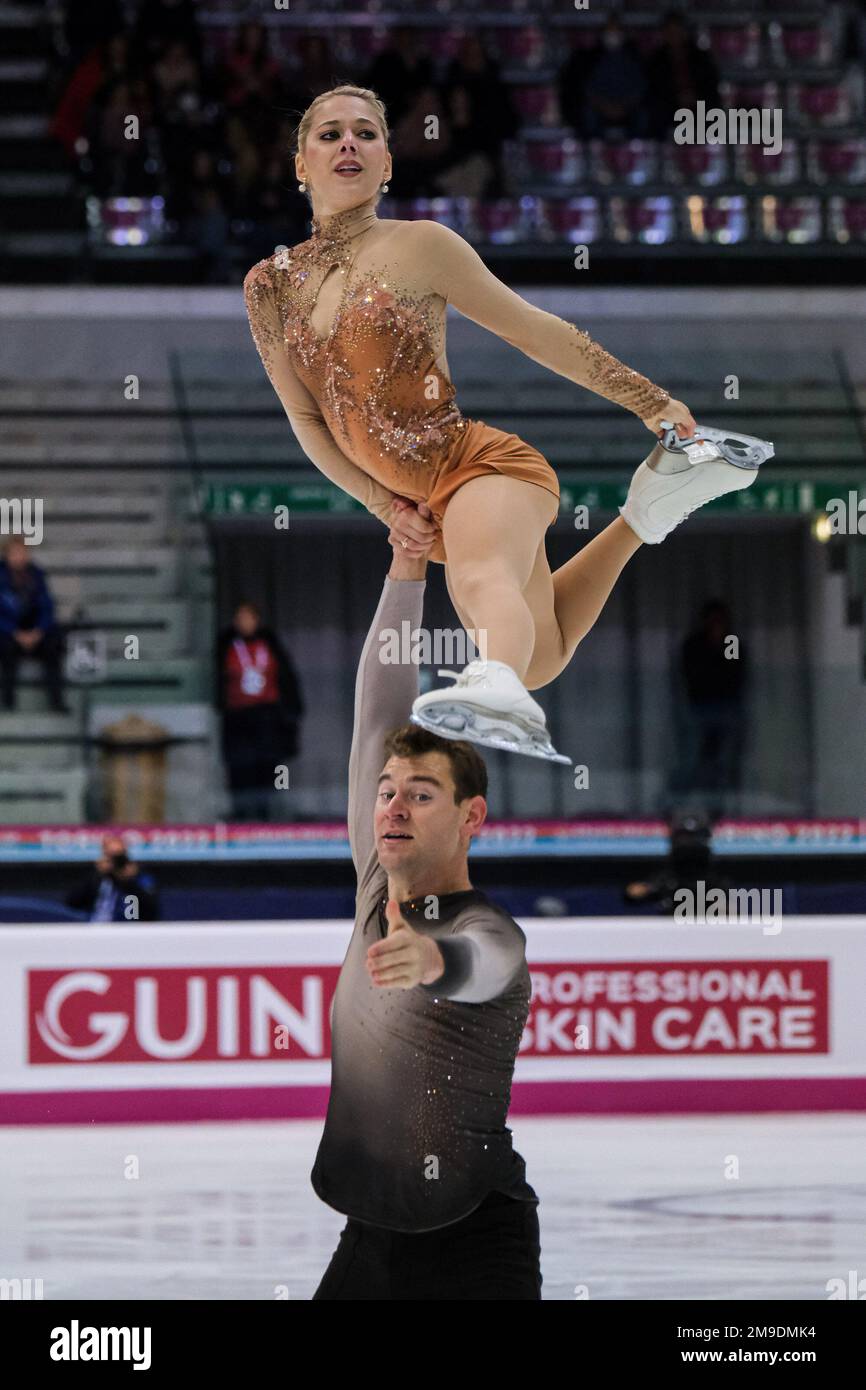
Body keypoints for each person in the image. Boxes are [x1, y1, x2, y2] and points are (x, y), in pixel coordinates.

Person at [243, 85, 767, 763]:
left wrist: (648, 399)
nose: (350, 143)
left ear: (389, 165)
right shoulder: (268, 286)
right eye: (331, 134)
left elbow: (532, 331)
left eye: (368, 133)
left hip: (482, 469)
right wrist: (385, 507)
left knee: (481, 581)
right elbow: (306, 418)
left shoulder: (423, 244)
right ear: (299, 164)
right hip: (425, 503)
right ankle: (647, 512)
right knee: (541, 653)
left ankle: (493, 684)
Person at [310, 524, 541, 1300]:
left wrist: (434, 961)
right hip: (370, 1240)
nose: (393, 806)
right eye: (386, 792)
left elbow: (486, 965)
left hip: (477, 1239)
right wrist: (406, 567)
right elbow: (377, 715)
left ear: (473, 816)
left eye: (420, 793)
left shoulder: (486, 931)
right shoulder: (376, 882)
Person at [216, 602, 304, 820]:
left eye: (249, 618)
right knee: (240, 767)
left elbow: (286, 680)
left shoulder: (270, 645)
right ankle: (241, 813)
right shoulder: (227, 646)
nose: (246, 623)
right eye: (241, 619)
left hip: (267, 716)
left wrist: (289, 712)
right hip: (238, 717)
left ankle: (267, 814)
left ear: (257, 620)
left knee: (267, 767)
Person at [671, 600, 748, 815]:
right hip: (699, 708)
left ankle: (720, 810)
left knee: (723, 762)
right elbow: (692, 676)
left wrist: (721, 645)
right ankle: (676, 806)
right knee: (691, 760)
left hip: (727, 708)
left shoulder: (731, 641)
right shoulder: (694, 644)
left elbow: (734, 671)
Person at [0, 538, 67, 712]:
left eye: (23, 552)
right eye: (15, 553)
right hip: (9, 633)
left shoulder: (37, 575)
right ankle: (8, 702)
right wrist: (15, 633)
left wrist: (38, 631)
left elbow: (46, 606)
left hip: (35, 632)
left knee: (54, 642)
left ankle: (56, 701)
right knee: (5, 647)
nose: (20, 557)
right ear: (6, 555)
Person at [66, 833, 159, 922]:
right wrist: (97, 874)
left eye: (119, 856)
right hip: (98, 929)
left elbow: (152, 911)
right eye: (111, 856)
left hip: (129, 930)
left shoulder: (140, 877)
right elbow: (72, 902)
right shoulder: (96, 878)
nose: (115, 862)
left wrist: (129, 881)